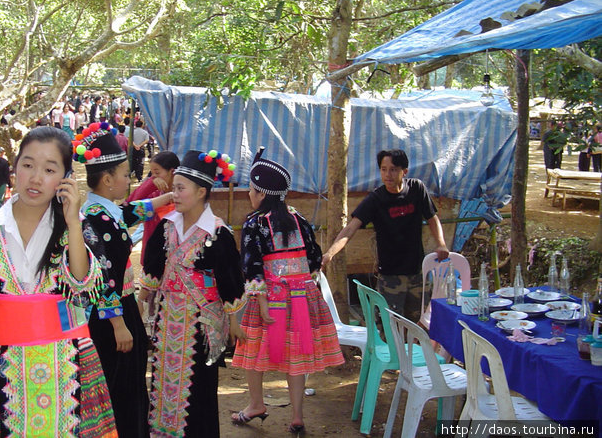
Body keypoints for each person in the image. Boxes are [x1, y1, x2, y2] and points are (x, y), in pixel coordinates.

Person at [0, 126, 118, 437]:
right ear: (15, 169)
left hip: (70, 366)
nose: (36, 178)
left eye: (49, 169)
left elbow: (84, 286)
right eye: (27, 165)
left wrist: (73, 223)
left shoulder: (77, 228)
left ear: (65, 177)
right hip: (1, 367)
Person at [231, 149, 344, 433]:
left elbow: (251, 264)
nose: (249, 194)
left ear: (261, 193)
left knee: (254, 351)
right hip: (303, 299)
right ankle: (297, 416)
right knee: (297, 356)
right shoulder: (298, 218)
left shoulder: (254, 222)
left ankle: (256, 403)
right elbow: (315, 258)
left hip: (268, 298)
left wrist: (264, 300)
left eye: (251, 189)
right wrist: (304, 284)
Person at [138, 150, 246, 438]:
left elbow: (230, 279)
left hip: (201, 325)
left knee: (197, 388)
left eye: (180, 188)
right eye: (174, 187)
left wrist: (235, 322)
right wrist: (143, 297)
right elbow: (153, 265)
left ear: (201, 192)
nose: (175, 193)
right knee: (162, 379)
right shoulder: (167, 226)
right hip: (167, 321)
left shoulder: (218, 234)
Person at [78, 122, 173, 437]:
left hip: (120, 309)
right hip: (112, 316)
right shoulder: (97, 220)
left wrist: (169, 196)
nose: (128, 178)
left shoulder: (103, 212)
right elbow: (101, 276)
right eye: (123, 174)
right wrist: (118, 323)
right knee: (121, 384)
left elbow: (132, 212)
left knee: (128, 381)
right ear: (107, 180)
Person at [322, 149, 449, 322]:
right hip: (390, 276)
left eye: (393, 169)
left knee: (420, 324)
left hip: (418, 272)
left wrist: (441, 243)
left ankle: (414, 350)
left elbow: (432, 219)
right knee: (389, 327)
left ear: (404, 171)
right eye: (383, 169)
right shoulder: (376, 199)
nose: (387, 174)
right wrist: (330, 254)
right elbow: (350, 230)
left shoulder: (417, 189)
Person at [127, 150, 179, 265]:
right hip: (152, 257)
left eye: (157, 172)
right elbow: (130, 205)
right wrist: (151, 182)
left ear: (172, 171)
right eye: (152, 173)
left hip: (175, 258)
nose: (154, 176)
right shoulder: (153, 194)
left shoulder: (182, 196)